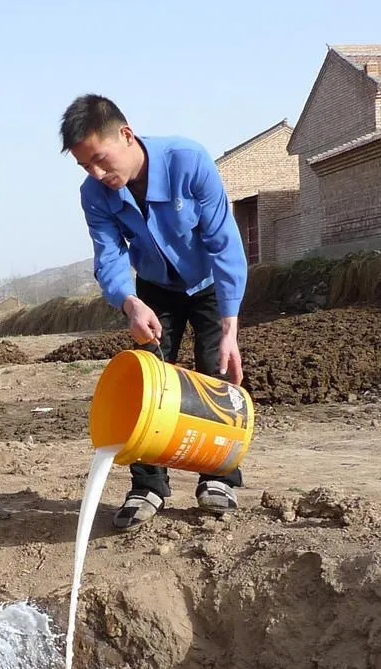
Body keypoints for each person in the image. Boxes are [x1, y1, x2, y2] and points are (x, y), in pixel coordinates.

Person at [60, 94, 248, 531]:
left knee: (213, 374)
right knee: (147, 383)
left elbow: (224, 242)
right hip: (152, 292)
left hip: (206, 288)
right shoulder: (94, 194)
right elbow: (108, 256)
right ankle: (148, 486)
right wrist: (130, 303)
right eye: (85, 166)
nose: (97, 174)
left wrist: (230, 327)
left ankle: (218, 478)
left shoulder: (188, 161)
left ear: (125, 135)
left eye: (101, 160)